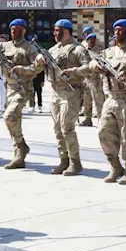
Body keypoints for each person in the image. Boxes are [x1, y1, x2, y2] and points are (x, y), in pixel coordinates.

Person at [90, 19, 126, 184]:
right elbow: (94, 61)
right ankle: (115, 166)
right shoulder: (108, 52)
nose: (117, 34)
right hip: (111, 97)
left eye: (121, 31)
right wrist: (95, 66)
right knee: (103, 132)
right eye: (115, 31)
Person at [0, 19, 44, 169]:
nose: (15, 31)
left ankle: (21, 146)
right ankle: (19, 155)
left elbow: (38, 67)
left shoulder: (29, 47)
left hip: (23, 88)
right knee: (14, 120)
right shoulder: (4, 46)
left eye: (18, 29)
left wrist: (22, 69)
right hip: (9, 87)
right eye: (13, 29)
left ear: (24, 31)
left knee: (9, 116)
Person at [47, 19, 91, 176]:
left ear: (66, 31)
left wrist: (73, 72)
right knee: (58, 129)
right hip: (55, 92)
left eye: (57, 30)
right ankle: (63, 160)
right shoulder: (52, 50)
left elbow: (89, 68)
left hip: (71, 92)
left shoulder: (78, 49)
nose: (54, 33)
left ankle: (75, 162)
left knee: (67, 128)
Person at [81, 32, 105, 127]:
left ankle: (101, 119)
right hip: (86, 78)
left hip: (96, 79)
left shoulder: (99, 49)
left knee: (98, 100)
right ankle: (87, 118)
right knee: (87, 100)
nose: (90, 42)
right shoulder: (84, 48)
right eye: (89, 40)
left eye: (92, 40)